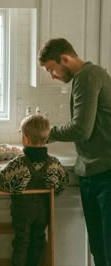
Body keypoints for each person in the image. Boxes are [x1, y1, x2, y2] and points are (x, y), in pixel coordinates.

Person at [38, 38, 111, 266]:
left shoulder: (88, 76)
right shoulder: (87, 76)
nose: (52, 75)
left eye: (52, 69)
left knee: (106, 250)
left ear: (65, 59)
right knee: (100, 249)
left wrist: (45, 134)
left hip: (106, 174)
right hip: (93, 172)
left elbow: (81, 128)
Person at [0, 114, 68, 266]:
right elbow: (62, 184)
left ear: (25, 139)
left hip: (22, 212)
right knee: (38, 240)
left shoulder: (17, 165)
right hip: (43, 211)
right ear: (46, 139)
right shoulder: (54, 164)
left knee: (21, 241)